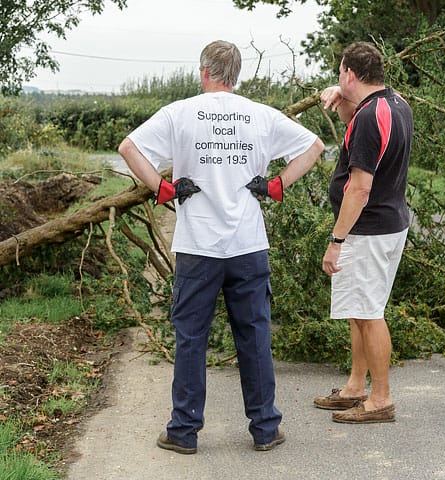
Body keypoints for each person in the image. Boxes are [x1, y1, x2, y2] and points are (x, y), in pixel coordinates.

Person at [118, 40, 324, 454]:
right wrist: (275, 185)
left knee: (191, 338)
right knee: (254, 336)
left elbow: (129, 148)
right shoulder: (261, 115)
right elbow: (314, 146)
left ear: (204, 72)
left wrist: (164, 190)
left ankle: (183, 432)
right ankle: (265, 428)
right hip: (248, 245)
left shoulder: (180, 113)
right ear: (236, 75)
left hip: (198, 246)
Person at [312, 42, 413, 424]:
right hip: (388, 223)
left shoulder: (370, 118)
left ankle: (381, 398)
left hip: (367, 229)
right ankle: (356, 386)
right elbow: (362, 133)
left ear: (350, 74)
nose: (338, 78)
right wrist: (343, 98)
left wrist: (336, 241)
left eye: (341, 73)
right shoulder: (394, 103)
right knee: (359, 308)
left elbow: (359, 188)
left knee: (369, 313)